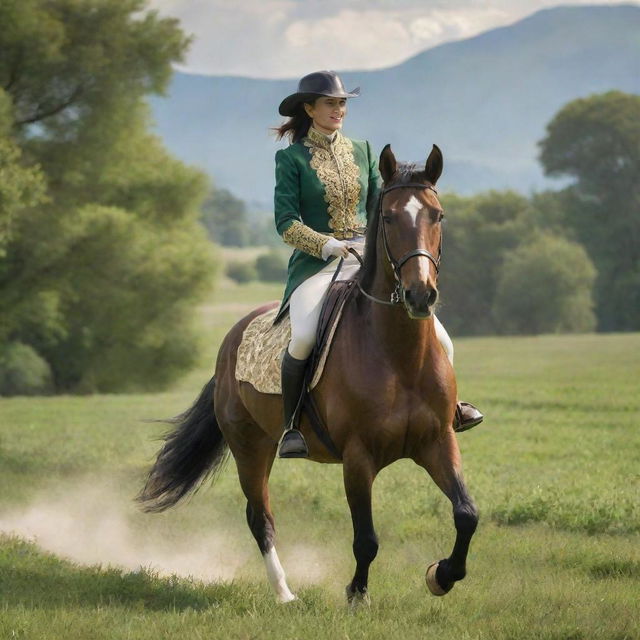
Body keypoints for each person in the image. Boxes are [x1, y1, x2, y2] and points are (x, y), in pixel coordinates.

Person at [273, 70, 482, 458]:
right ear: (309, 108)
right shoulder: (291, 159)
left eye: (342, 103)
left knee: (442, 338)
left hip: (367, 260)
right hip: (316, 265)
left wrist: (378, 246)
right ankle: (292, 427)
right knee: (302, 337)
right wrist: (327, 245)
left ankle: (450, 408)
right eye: (330, 103)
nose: (338, 110)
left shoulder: (364, 151)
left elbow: (380, 208)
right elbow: (285, 222)